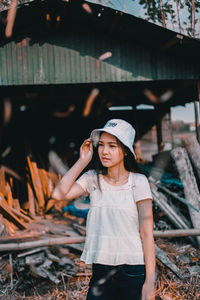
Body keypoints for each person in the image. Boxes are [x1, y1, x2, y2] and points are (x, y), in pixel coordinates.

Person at [52, 119, 156, 300]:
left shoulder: (138, 182)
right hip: (100, 268)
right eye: (101, 145)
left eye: (112, 146)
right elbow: (58, 194)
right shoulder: (92, 179)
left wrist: (150, 282)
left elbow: (147, 234)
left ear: (125, 151)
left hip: (131, 269)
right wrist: (82, 161)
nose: (104, 151)